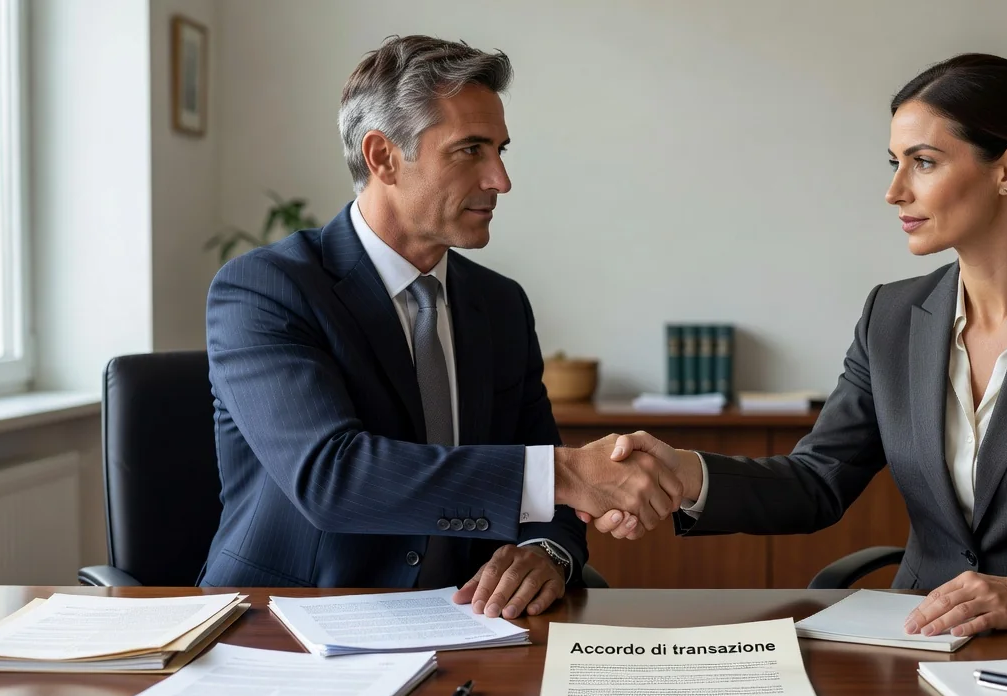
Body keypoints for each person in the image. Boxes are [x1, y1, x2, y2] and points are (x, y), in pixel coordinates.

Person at [590, 53, 1007, 632]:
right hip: (918, 636)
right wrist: (686, 475)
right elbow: (816, 481)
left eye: (924, 162)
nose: (895, 192)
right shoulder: (891, 315)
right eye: (896, 164)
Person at [202, 36, 682, 619]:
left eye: (501, 150)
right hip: (287, 623)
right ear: (382, 156)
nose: (500, 180)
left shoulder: (501, 305)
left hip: (466, 622)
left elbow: (547, 483)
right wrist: (567, 474)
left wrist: (547, 552)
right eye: (470, 150)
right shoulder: (265, 290)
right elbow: (333, 478)